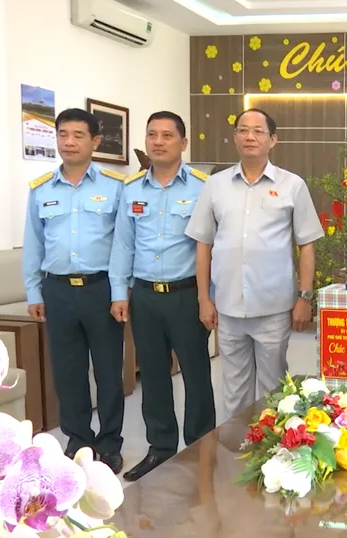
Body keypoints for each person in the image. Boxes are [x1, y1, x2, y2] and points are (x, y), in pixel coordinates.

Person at [185, 108, 324, 418]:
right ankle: (237, 444)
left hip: (273, 308)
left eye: (258, 131)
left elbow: (306, 245)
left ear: (273, 139)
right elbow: (203, 244)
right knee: (234, 390)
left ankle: (274, 445)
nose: (250, 136)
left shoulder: (292, 185)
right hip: (228, 307)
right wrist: (204, 298)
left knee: (275, 390)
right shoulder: (215, 185)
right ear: (235, 137)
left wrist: (304, 298)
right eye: (243, 130)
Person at [110, 111, 216, 481]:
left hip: (186, 294)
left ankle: (201, 448)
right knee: (153, 376)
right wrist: (119, 292)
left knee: (196, 373)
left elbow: (212, 246)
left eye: (167, 135)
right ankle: (160, 447)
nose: (158, 142)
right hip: (145, 296)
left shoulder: (203, 187)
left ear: (183, 143)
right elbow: (122, 244)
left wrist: (208, 297)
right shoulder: (131, 189)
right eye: (152, 134)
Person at [22, 108, 126, 473]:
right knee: (68, 373)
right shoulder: (40, 189)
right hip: (58, 291)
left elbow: (122, 244)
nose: (69, 142)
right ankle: (78, 441)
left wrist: (120, 292)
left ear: (95, 141)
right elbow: (33, 243)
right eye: (62, 134)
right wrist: (34, 291)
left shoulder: (115, 186)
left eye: (78, 135)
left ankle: (110, 443)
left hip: (101, 289)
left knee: (109, 372)